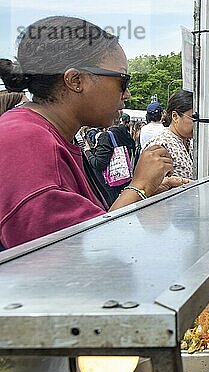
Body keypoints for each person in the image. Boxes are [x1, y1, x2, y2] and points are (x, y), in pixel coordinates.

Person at [0, 16, 187, 249]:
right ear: (75, 80)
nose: (126, 94)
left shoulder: (45, 133)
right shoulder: (26, 143)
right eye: (122, 80)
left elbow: (85, 225)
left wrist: (147, 193)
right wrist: (140, 186)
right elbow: (80, 257)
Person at [84, 116, 137, 206]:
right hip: (124, 178)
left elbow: (99, 163)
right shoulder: (123, 132)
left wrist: (88, 151)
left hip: (111, 185)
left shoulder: (106, 136)